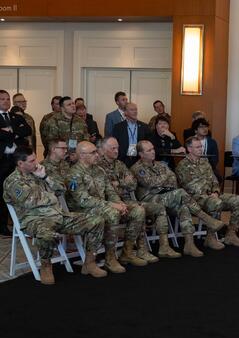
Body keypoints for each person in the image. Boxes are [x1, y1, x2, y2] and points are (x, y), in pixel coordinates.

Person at [3, 147, 106, 284]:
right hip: (35, 220)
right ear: (20, 164)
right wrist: (52, 196)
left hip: (58, 215)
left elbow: (62, 189)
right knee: (46, 234)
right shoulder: (13, 181)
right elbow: (31, 202)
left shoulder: (39, 172)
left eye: (35, 159)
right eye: (31, 161)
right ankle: (46, 266)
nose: (36, 162)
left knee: (96, 221)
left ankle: (89, 263)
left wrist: (45, 177)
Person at [131, 140, 226, 257]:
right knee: (180, 192)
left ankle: (188, 244)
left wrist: (164, 179)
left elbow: (173, 179)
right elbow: (151, 183)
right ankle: (207, 219)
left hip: (166, 195)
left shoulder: (160, 164)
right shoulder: (137, 168)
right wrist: (165, 177)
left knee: (183, 207)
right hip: (150, 198)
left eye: (153, 149)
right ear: (141, 154)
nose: (153, 152)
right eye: (149, 150)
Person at [66, 141, 147, 273]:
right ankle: (110, 258)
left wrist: (120, 203)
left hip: (102, 206)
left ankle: (127, 252)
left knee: (138, 210)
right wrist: (112, 205)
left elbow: (110, 191)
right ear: (82, 155)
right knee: (112, 213)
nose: (97, 155)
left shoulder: (99, 170)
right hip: (83, 210)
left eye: (96, 152)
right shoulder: (74, 174)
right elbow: (83, 201)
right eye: (93, 153)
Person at [98, 136, 178, 261]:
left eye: (117, 148)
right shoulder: (98, 166)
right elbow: (105, 188)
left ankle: (163, 247)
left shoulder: (120, 164)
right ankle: (136, 250)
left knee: (158, 208)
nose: (116, 151)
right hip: (109, 202)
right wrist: (124, 183)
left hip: (127, 200)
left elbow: (133, 184)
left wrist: (119, 183)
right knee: (139, 210)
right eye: (113, 148)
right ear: (103, 149)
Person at [176, 136, 239, 250]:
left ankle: (231, 234)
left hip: (212, 196)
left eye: (201, 146)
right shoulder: (182, 165)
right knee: (216, 203)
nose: (200, 149)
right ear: (189, 149)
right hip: (196, 200)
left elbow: (214, 180)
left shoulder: (205, 162)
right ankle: (210, 237)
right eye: (197, 147)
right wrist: (209, 195)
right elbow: (189, 187)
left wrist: (215, 192)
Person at [0, 90, 32, 236]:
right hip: (2, 160)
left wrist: (9, 130)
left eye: (7, 99)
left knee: (18, 190)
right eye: (2, 99)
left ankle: (20, 223)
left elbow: (27, 130)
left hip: (15, 161)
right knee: (2, 192)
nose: (6, 101)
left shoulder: (15, 116)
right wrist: (15, 133)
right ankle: (2, 225)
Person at [111, 102, 151, 167]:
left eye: (136, 109)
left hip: (140, 159)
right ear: (125, 112)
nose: (135, 112)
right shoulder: (118, 127)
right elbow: (114, 144)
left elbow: (148, 143)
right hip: (123, 159)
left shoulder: (144, 126)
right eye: (132, 110)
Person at [190, 117, 221, 182]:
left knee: (217, 177)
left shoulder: (212, 142)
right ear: (195, 130)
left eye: (206, 126)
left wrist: (207, 167)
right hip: (192, 167)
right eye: (201, 127)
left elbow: (215, 159)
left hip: (208, 168)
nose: (205, 129)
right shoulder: (190, 141)